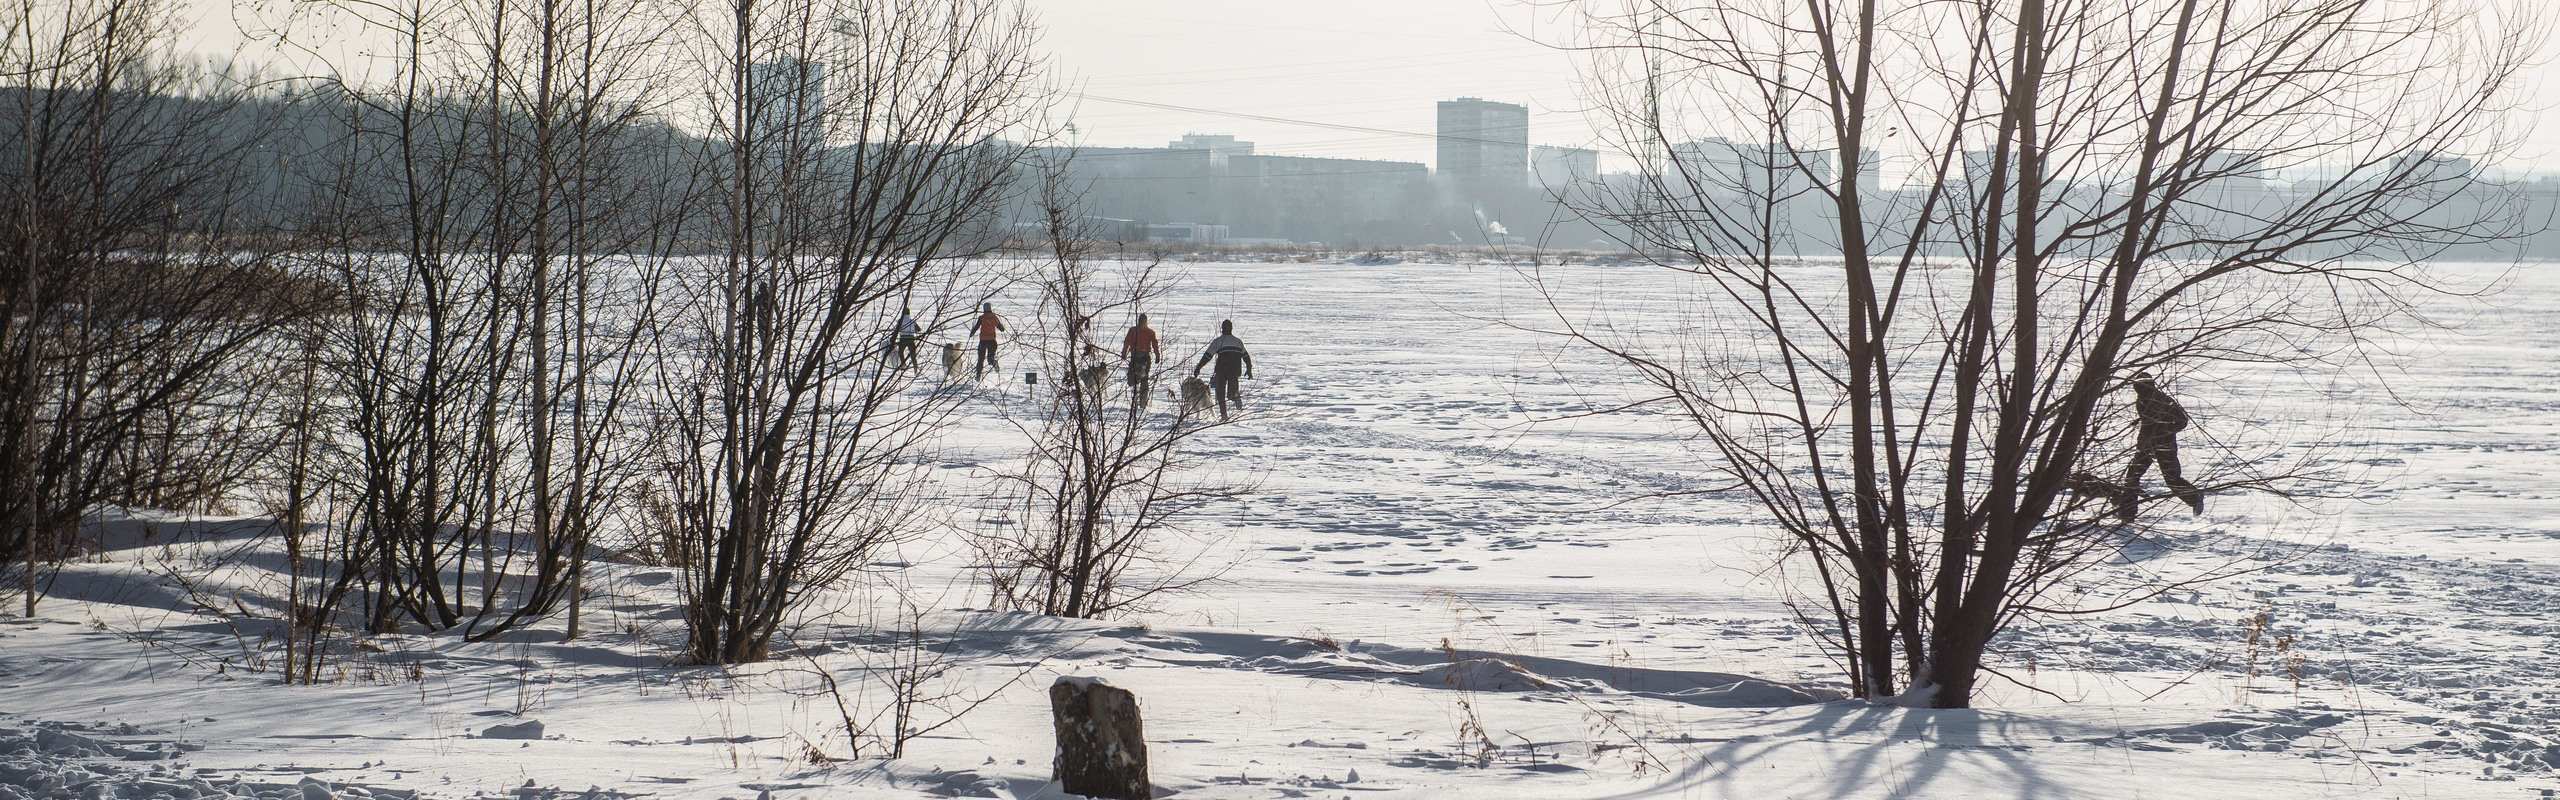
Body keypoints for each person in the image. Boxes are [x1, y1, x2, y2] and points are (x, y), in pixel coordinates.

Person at [2121, 372, 2205, 520]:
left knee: (2171, 479)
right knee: (2132, 476)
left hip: (2165, 446)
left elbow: (2182, 421)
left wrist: (2164, 432)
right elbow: (2149, 421)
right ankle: (2127, 514)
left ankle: (2194, 497)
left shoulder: (2162, 400)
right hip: (2146, 446)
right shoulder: (2142, 400)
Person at [1190, 319, 1252, 420]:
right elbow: (1246, 356)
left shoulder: (1218, 341)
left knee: (1220, 394)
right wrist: (1249, 369)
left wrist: (1199, 367)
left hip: (1222, 370)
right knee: (1232, 391)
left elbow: (1207, 356)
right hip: (1235, 371)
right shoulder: (1238, 341)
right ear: (1231, 328)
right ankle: (1235, 395)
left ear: (1222, 329)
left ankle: (1224, 416)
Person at [1121, 313, 1159, 409]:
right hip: (1134, 357)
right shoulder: (1132, 331)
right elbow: (1127, 342)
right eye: (1140, 321)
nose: (1141, 323)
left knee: (1144, 380)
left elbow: (1154, 344)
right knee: (1132, 380)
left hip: (1145, 358)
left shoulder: (1150, 332)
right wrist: (1124, 353)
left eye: (1143, 321)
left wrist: (1157, 355)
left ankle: (1143, 403)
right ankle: (1135, 400)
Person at [974, 302, 1005, 379]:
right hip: (992, 341)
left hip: (983, 341)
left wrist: (972, 333)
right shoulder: (994, 318)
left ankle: (978, 375)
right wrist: (1001, 327)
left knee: (981, 359)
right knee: (990, 359)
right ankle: (994, 362)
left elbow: (976, 327)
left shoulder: (981, 318)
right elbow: (1001, 328)